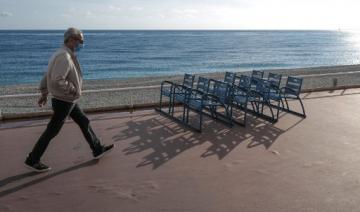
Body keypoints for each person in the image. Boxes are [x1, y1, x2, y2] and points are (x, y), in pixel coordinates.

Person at [25, 27, 114, 172]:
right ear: (71, 39)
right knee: (52, 131)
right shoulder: (64, 57)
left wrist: (44, 93)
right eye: (80, 41)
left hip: (68, 100)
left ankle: (97, 149)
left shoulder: (61, 53)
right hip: (64, 101)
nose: (82, 44)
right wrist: (72, 90)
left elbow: (47, 75)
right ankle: (33, 159)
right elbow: (56, 79)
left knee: (83, 121)